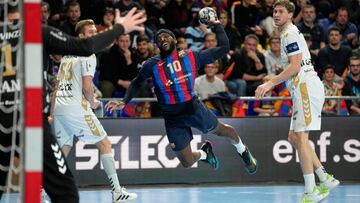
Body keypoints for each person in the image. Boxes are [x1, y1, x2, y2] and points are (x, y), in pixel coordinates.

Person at [105, 12, 258, 175]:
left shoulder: (192, 56)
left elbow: (224, 49)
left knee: (223, 130)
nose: (163, 39)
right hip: (172, 117)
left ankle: (243, 151)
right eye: (159, 39)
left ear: (174, 40)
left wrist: (217, 25)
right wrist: (124, 101)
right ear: (156, 45)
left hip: (192, 108)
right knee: (187, 161)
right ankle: (204, 153)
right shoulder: (152, 65)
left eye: (166, 36)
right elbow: (136, 82)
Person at [41, 8, 146, 203]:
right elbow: (88, 86)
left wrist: (52, 112)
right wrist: (93, 101)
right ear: (81, 36)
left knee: (62, 150)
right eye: (91, 33)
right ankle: (117, 192)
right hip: (75, 108)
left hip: (61, 109)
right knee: (104, 143)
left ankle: (40, 191)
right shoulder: (88, 55)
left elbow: (57, 87)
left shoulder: (66, 57)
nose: (95, 36)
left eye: (95, 32)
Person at [255, 1, 339, 203]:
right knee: (294, 137)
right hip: (301, 89)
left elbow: (294, 66)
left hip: (305, 88)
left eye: (280, 12)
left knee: (300, 137)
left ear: (290, 15)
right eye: (274, 11)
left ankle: (311, 191)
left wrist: (270, 84)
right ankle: (324, 178)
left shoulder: (290, 34)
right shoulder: (286, 33)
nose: (276, 15)